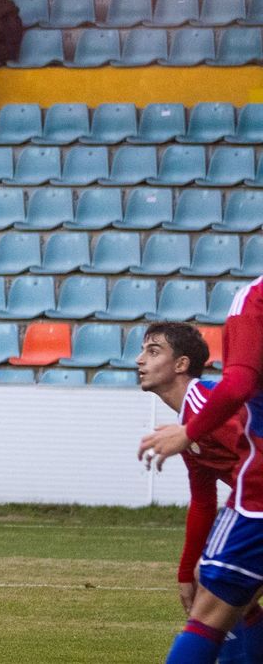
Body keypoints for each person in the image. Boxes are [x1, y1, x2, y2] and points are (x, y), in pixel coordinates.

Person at [141, 278, 263, 663]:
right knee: (230, 599)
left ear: (181, 364)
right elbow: (202, 502)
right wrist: (184, 571)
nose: (140, 360)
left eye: (153, 350)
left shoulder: (205, 404)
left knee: (215, 605)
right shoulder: (190, 425)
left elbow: (248, 449)